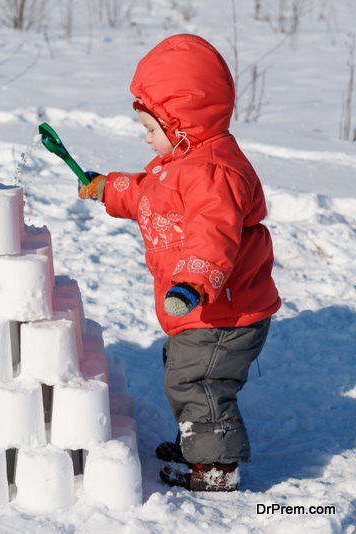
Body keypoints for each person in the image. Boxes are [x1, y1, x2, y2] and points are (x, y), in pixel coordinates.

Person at [78, 34, 281, 492]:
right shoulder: (181, 162)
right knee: (186, 374)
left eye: (152, 130)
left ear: (182, 124)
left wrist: (192, 283)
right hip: (202, 310)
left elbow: (214, 236)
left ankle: (215, 468)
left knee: (199, 383)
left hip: (221, 308)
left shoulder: (214, 172)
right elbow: (149, 196)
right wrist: (107, 188)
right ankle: (199, 443)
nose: (147, 140)